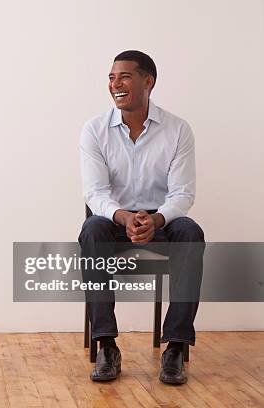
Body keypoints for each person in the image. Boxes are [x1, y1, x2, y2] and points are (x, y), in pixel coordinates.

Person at [79, 50, 205, 384]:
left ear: (148, 81)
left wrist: (157, 220)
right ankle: (106, 343)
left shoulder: (178, 130)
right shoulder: (94, 130)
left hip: (162, 220)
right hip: (113, 220)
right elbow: (95, 193)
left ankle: (175, 347)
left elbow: (182, 194)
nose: (114, 84)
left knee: (191, 233)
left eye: (124, 76)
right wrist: (123, 217)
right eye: (110, 77)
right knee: (91, 229)